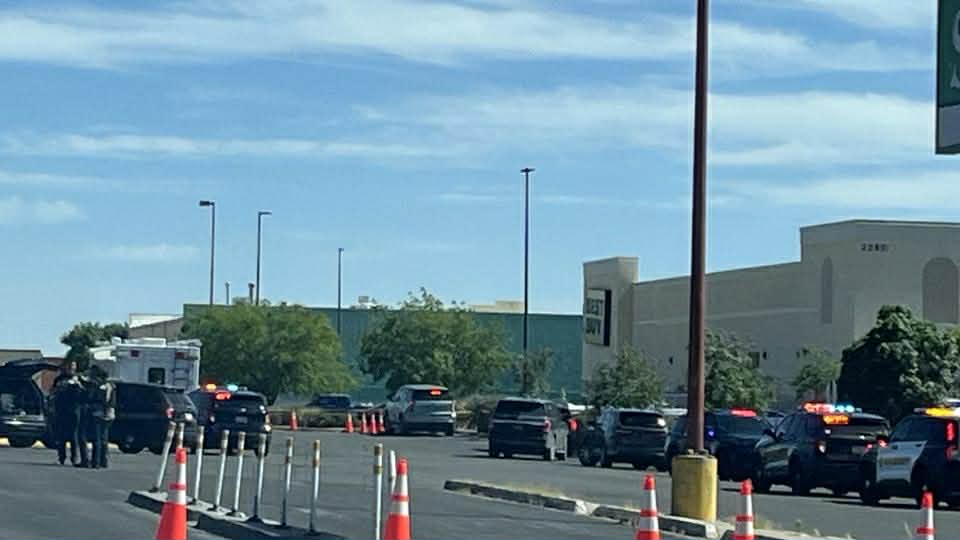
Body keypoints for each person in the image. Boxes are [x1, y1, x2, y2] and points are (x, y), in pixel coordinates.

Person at [52, 362, 81, 466]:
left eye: (73, 367)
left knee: (73, 436)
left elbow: (81, 395)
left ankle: (74, 458)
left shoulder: (78, 380)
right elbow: (54, 393)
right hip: (61, 410)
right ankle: (61, 458)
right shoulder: (59, 379)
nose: (71, 369)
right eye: (69, 367)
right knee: (61, 436)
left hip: (73, 411)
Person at [88, 367, 115, 469]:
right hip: (109, 415)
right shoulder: (111, 386)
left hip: (99, 413)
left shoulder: (98, 387)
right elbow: (113, 401)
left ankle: (96, 461)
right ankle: (104, 461)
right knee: (104, 438)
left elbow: (94, 398)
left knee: (97, 439)